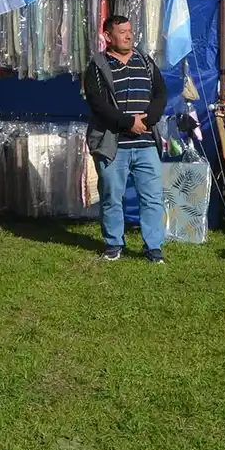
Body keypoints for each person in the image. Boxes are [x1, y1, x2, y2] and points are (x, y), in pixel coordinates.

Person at [84, 14, 167, 263]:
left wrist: (148, 120)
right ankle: (113, 244)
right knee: (111, 196)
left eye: (130, 31)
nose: (128, 35)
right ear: (108, 36)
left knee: (152, 197)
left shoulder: (145, 61)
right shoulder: (98, 66)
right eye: (122, 32)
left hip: (145, 144)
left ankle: (153, 247)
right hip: (113, 145)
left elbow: (161, 94)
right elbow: (97, 103)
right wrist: (128, 122)